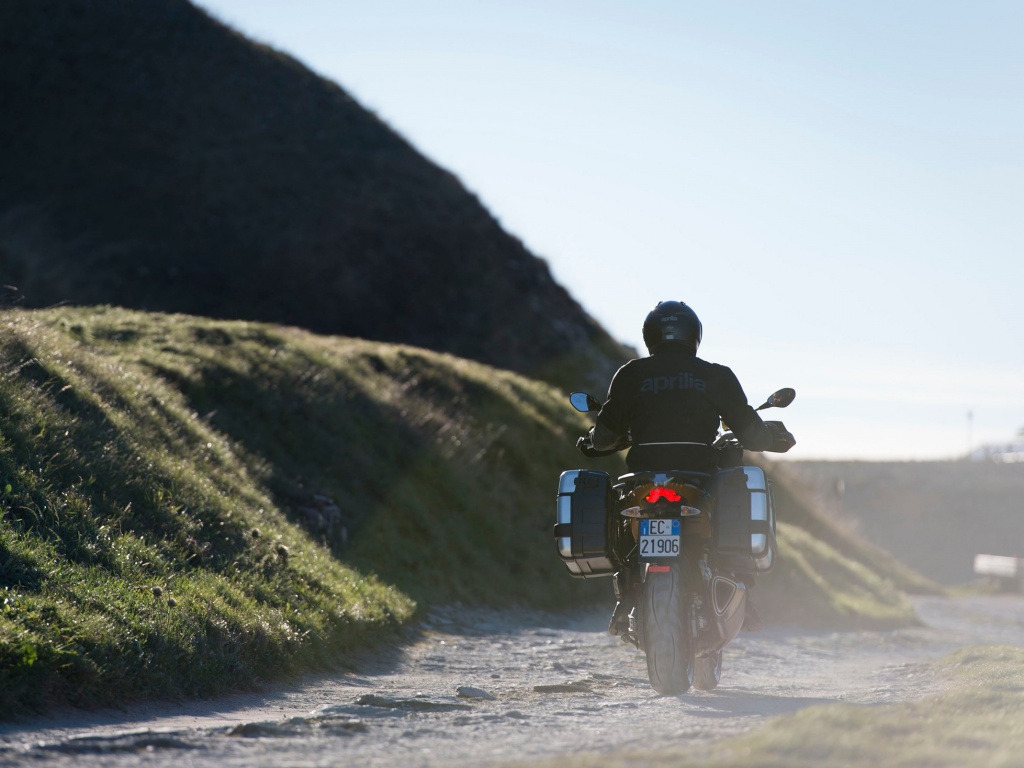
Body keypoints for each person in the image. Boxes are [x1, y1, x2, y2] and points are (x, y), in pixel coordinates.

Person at [580, 300, 795, 637]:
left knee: (622, 518)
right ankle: (741, 590)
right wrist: (773, 436)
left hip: (644, 480)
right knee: (733, 497)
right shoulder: (715, 375)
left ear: (650, 335)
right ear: (694, 334)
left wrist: (592, 440)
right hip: (699, 477)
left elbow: (605, 438)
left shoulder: (631, 374)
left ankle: (625, 595)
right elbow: (751, 434)